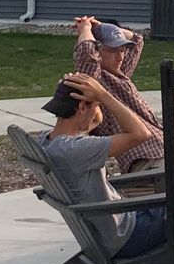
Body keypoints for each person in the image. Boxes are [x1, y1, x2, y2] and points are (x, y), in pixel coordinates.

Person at [36, 71, 168, 262]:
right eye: (95, 106)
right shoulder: (76, 149)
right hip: (127, 235)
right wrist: (104, 95)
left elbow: (95, 120)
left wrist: (74, 88)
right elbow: (141, 134)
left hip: (104, 234)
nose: (98, 111)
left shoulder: (47, 141)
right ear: (82, 107)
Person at [70, 16, 164, 175]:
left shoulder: (119, 74)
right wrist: (85, 29)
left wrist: (104, 27)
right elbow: (87, 52)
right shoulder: (94, 81)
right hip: (150, 162)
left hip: (167, 153)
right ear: (97, 51)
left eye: (122, 50)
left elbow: (137, 40)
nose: (120, 57)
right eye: (113, 50)